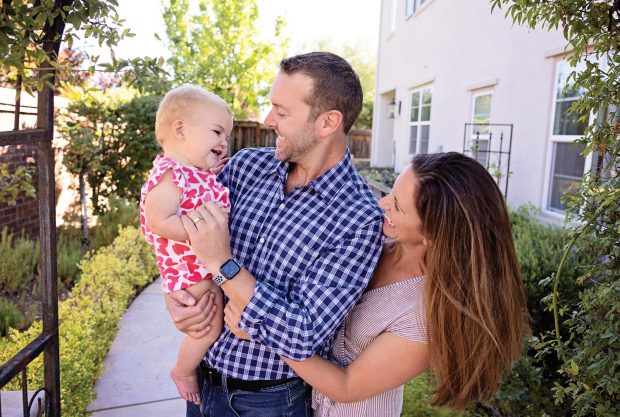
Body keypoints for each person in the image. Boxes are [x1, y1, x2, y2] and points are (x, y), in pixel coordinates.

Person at [204, 152, 531, 416]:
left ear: (433, 234)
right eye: (391, 191)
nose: (381, 204)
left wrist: (263, 329)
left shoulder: (425, 314)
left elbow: (346, 385)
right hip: (303, 400)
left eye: (397, 207)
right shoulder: (376, 242)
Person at [166, 52, 384, 416]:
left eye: (282, 112)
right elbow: (182, 235)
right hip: (203, 387)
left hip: (269, 403)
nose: (268, 121)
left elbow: (304, 334)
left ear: (328, 122)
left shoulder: (358, 219)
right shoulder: (245, 167)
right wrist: (179, 300)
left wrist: (223, 264)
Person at [139, 85, 233, 405]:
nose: (223, 142)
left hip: (199, 265)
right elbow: (159, 220)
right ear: (180, 129)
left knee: (218, 314)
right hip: (187, 270)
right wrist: (203, 232)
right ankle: (183, 369)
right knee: (207, 326)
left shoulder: (195, 173)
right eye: (217, 132)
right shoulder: (168, 175)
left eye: (226, 135)